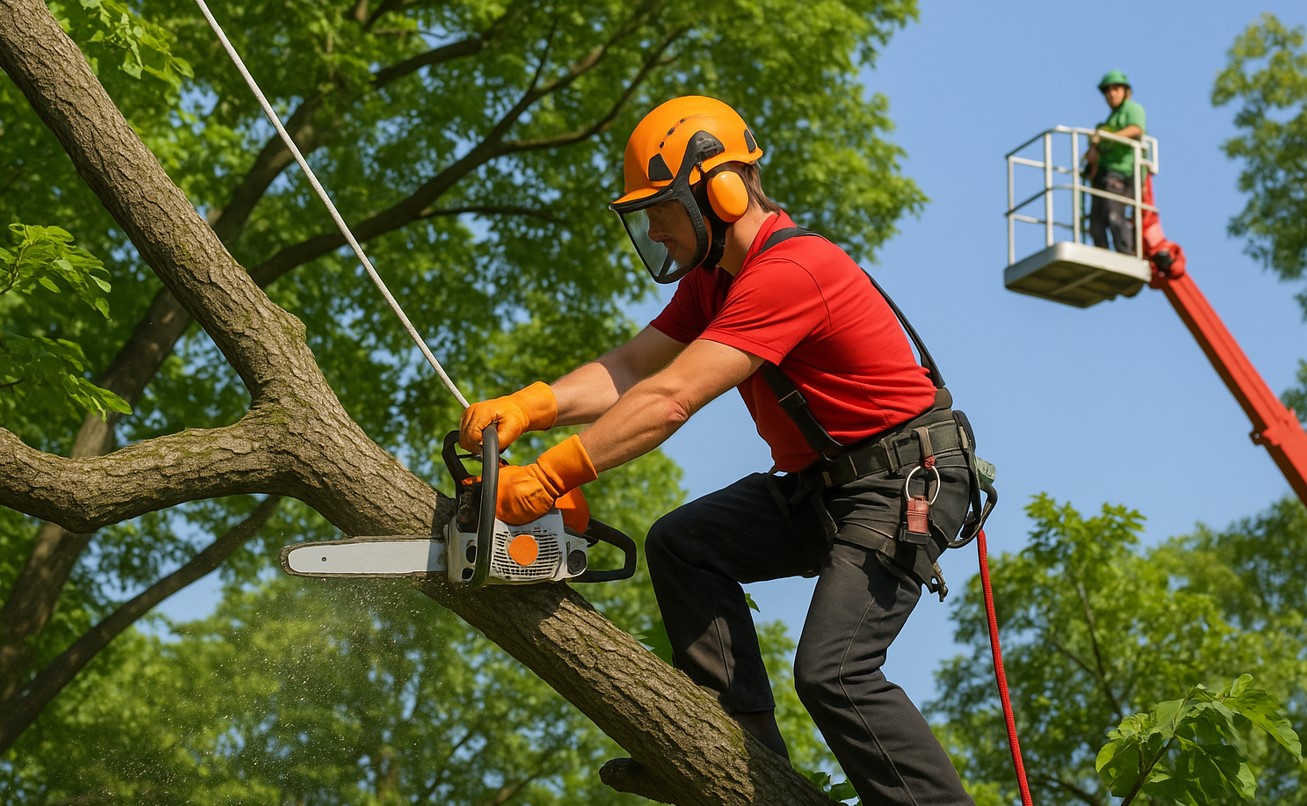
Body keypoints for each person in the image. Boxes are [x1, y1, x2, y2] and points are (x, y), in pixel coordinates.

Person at [460, 95, 980, 804]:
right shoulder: (716, 281)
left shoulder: (791, 271)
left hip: (900, 482)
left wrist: (553, 474)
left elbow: (671, 397)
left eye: (659, 207)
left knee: (835, 672)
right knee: (684, 544)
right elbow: (634, 367)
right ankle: (739, 757)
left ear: (719, 189)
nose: (651, 228)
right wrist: (533, 405)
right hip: (823, 486)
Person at [1084, 70, 1147, 255]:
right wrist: (1094, 147)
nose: (1112, 94)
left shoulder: (1132, 109)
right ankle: (1101, 255)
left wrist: (1106, 138)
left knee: (1114, 216)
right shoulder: (1108, 121)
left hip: (1122, 174)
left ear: (1125, 91)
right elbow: (1091, 157)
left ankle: (1126, 253)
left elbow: (1136, 129)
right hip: (1103, 175)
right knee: (1095, 223)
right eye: (1107, 91)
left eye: (1116, 89)